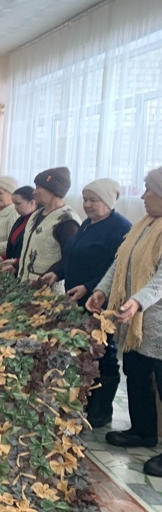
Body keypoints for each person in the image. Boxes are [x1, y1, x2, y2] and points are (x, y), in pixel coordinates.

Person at [87, 168, 162, 476]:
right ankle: (142, 431)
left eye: (149, 190)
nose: (143, 196)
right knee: (136, 373)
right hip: (135, 323)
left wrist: (138, 301)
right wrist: (102, 291)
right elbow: (119, 263)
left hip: (155, 321)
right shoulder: (144, 224)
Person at [51, 179, 130, 428]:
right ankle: (85, 400)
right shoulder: (87, 224)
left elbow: (118, 270)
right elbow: (73, 255)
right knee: (85, 352)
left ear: (108, 201)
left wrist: (89, 286)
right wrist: (57, 273)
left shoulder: (120, 228)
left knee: (103, 353)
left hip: (101, 300)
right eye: (85, 199)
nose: (87, 205)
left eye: (93, 200)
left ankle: (101, 410)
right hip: (78, 299)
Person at [14, 167, 80, 291]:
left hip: (48, 292)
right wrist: (17, 264)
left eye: (39, 187)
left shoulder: (67, 220)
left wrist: (54, 273)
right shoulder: (36, 214)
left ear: (53, 191)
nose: (34, 192)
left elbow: (71, 258)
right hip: (26, 288)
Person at [0, 186, 38, 265]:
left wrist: (16, 262)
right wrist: (3, 257)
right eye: (14, 204)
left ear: (32, 202)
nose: (15, 208)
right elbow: (14, 246)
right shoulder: (21, 219)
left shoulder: (38, 222)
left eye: (18, 204)